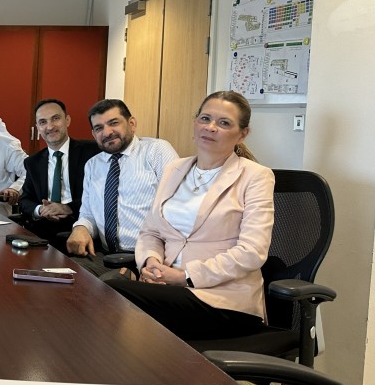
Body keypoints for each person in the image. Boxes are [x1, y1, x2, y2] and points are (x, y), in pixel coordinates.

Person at [106, 91, 274, 340]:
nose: (211, 127)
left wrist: (185, 277)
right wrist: (151, 262)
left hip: (222, 300)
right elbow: (151, 231)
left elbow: (252, 252)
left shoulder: (256, 176)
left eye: (224, 123)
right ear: (195, 123)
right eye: (205, 118)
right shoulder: (174, 169)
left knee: (111, 293)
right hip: (165, 288)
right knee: (103, 293)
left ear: (242, 134)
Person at [67, 99, 177, 276]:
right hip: (105, 255)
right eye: (99, 128)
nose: (107, 132)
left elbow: (177, 208)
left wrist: (153, 259)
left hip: (147, 257)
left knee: (103, 286)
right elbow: (88, 213)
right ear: (94, 134)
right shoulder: (92, 165)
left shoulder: (156, 151)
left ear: (131, 124)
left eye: (113, 123)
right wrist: (81, 227)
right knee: (63, 273)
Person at [17, 98, 99, 245]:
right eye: (43, 122)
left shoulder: (92, 152)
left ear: (67, 120)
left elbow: (99, 195)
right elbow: (25, 200)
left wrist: (68, 208)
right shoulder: (33, 162)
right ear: (37, 127)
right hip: (43, 230)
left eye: (55, 118)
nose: (50, 127)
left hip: (81, 227)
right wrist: (40, 209)